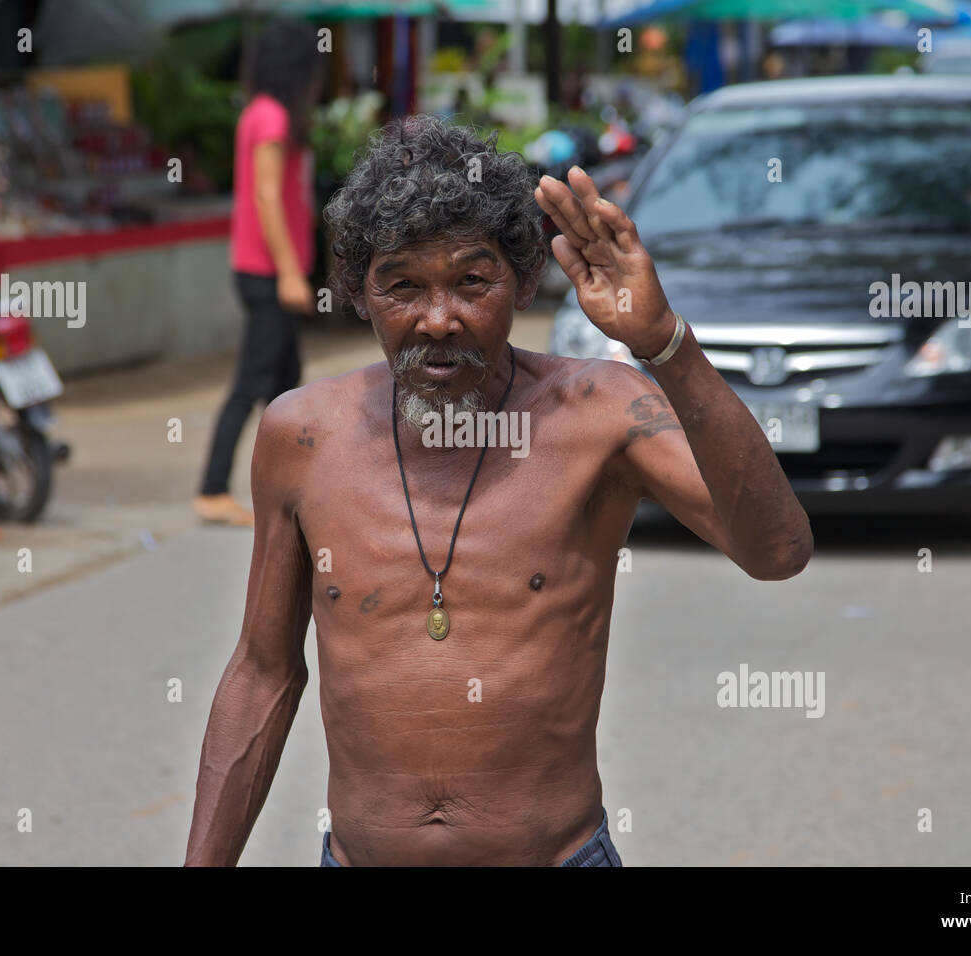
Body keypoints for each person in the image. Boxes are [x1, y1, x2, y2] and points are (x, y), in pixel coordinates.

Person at [185, 116, 812, 866]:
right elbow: (262, 674)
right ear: (359, 293)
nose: (440, 319)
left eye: (471, 282)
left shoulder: (599, 412)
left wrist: (664, 345)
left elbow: (777, 551)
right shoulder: (302, 435)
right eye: (403, 286)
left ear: (522, 279)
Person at [194, 19, 320, 527]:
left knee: (286, 383)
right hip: (267, 271)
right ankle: (211, 489)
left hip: (268, 269)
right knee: (253, 381)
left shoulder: (266, 113)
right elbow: (268, 196)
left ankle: (290, 486)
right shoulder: (269, 117)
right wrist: (290, 272)